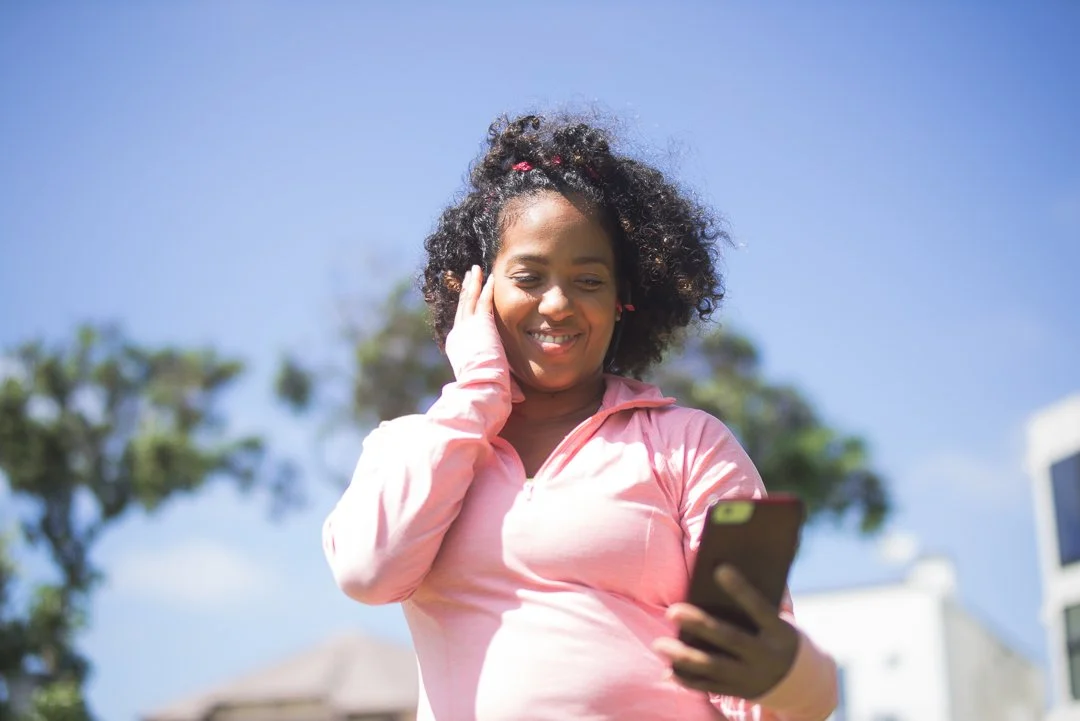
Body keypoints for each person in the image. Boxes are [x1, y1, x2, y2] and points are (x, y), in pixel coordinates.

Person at [322, 113, 838, 720]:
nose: (559, 303)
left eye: (588, 280)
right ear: (475, 290)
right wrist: (477, 396)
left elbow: (769, 693)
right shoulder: (412, 445)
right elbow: (367, 573)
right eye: (529, 277)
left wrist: (792, 674)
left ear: (623, 301)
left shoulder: (689, 445)